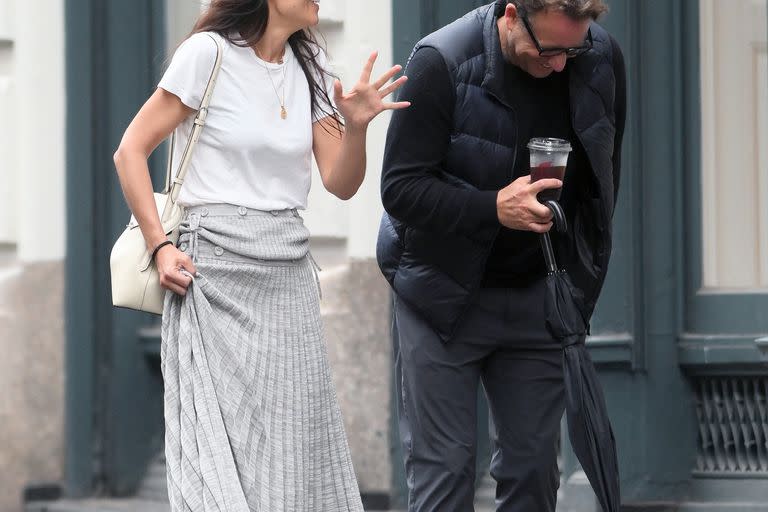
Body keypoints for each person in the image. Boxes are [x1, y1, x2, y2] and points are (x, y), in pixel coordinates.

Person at [113, 0, 409, 510]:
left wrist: (356, 126)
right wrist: (160, 245)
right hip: (211, 274)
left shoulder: (313, 67)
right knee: (221, 457)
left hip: (287, 273)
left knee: (294, 451)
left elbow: (340, 182)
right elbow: (130, 150)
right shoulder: (206, 55)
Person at [376, 0, 626, 510]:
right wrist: (493, 207)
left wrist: (577, 286)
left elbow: (602, 183)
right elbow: (401, 189)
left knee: (533, 475)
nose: (560, 64)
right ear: (511, 15)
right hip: (441, 296)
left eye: (572, 50)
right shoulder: (441, 61)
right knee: (444, 476)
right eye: (549, 50)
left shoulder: (598, 58)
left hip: (538, 294)